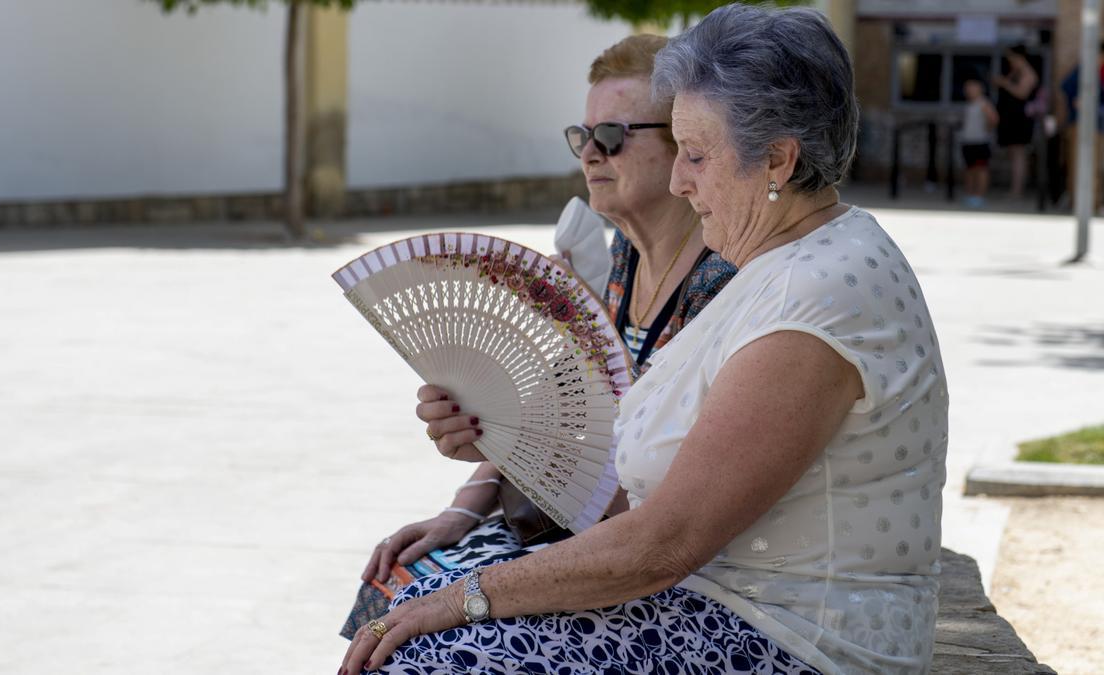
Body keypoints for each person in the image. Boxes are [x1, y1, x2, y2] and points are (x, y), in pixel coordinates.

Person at [342, 5, 948, 673]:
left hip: (792, 641)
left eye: (696, 154)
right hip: (722, 605)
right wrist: (491, 459)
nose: (680, 181)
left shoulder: (814, 297)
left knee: (426, 650)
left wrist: (472, 595)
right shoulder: (785, 264)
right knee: (410, 612)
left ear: (777, 160)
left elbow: (666, 539)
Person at [341, 33, 737, 639]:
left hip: (651, 555)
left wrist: (532, 463)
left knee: (427, 622)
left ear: (683, 140)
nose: (591, 155)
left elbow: (673, 510)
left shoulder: (721, 280)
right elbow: (555, 414)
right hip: (573, 521)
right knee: (396, 576)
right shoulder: (617, 264)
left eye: (612, 135)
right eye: (582, 137)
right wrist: (462, 504)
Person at [1059, 43, 1104, 211]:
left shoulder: (1100, 71)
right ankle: (1078, 203)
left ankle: (1094, 203)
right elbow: (1066, 88)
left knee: (1096, 165)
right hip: (1080, 124)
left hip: (1098, 126)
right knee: (1079, 165)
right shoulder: (1084, 69)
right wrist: (1077, 101)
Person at [993, 45, 1039, 199]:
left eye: (1011, 58)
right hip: (1010, 117)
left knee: (1019, 154)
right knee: (1013, 154)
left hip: (1020, 119)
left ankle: (1017, 190)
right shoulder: (1015, 71)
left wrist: (1004, 83)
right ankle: (1014, 188)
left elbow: (1022, 93)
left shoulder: (1028, 73)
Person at [961, 78, 998, 208]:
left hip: (980, 142)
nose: (969, 90)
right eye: (967, 88)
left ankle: (979, 195)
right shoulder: (969, 104)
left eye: (972, 87)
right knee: (969, 169)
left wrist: (986, 130)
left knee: (981, 170)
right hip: (968, 141)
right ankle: (970, 194)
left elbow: (994, 119)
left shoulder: (984, 103)